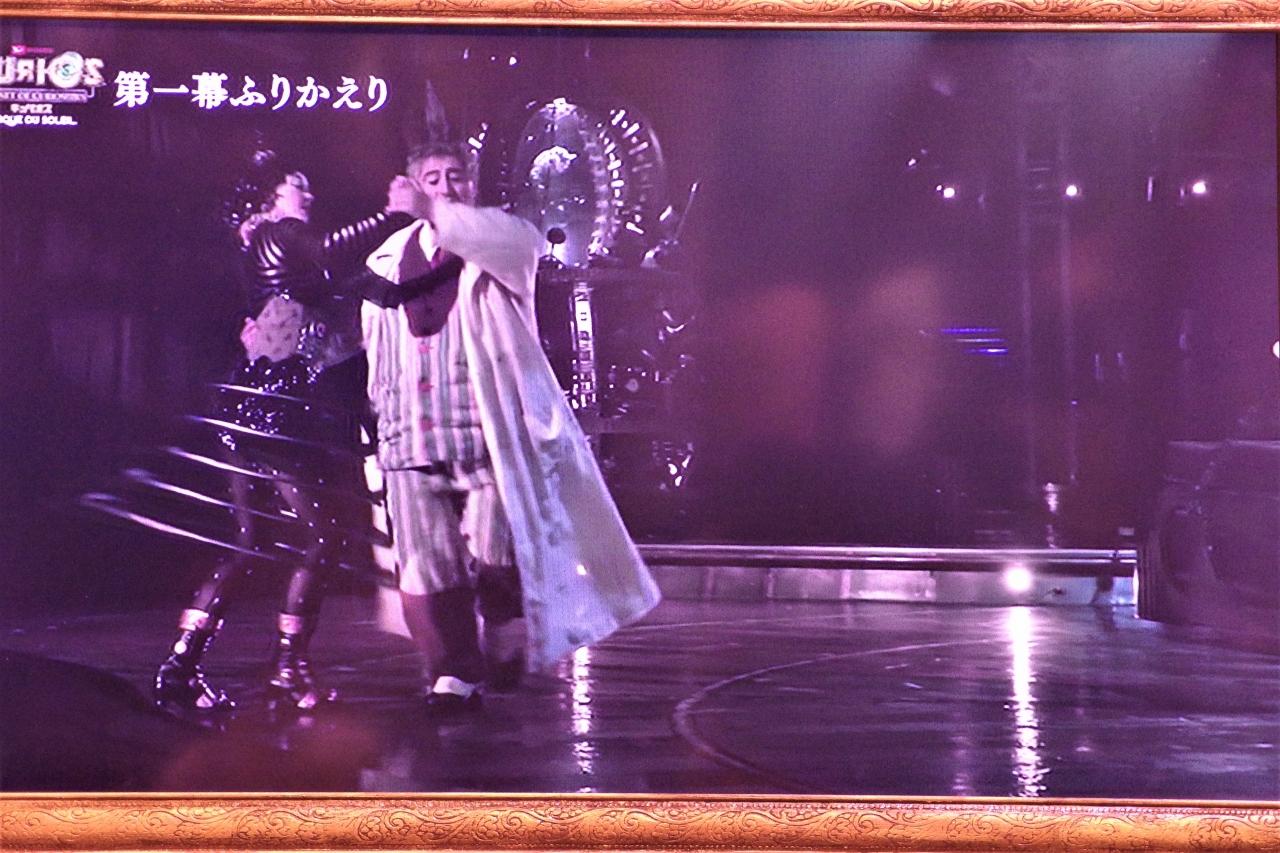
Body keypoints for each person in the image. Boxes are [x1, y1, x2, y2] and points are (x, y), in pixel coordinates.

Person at [362, 142, 662, 715]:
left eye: (454, 176)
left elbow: (497, 239)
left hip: (485, 435)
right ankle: (454, 673)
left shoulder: (505, 240)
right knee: (428, 563)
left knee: (496, 555)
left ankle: (504, 630)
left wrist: (429, 209)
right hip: (410, 434)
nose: (445, 187)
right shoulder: (385, 260)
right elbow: (374, 340)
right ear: (412, 182)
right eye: (431, 178)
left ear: (471, 184)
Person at [153, 150, 421, 714]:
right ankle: (288, 666)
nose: (309, 194)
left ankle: (182, 664)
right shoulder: (277, 236)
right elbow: (330, 250)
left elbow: (340, 292)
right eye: (297, 186)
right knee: (322, 535)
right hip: (273, 413)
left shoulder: (279, 255)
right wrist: (393, 213)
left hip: (253, 409)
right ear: (270, 200)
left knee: (252, 541)